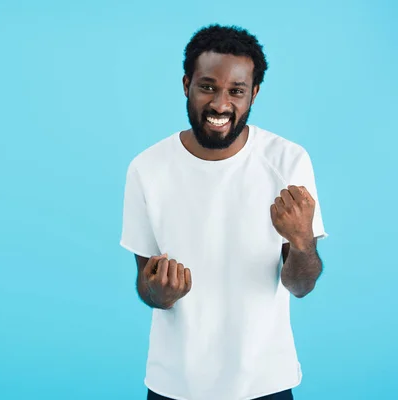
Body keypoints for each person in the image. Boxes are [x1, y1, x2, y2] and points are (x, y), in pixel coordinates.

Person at [119, 24, 328, 400]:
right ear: (186, 85)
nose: (220, 104)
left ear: (254, 94)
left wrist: (302, 241)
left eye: (236, 91)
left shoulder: (288, 162)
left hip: (266, 383)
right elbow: (145, 285)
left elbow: (300, 286)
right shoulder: (146, 169)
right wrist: (160, 292)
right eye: (208, 87)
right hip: (174, 385)